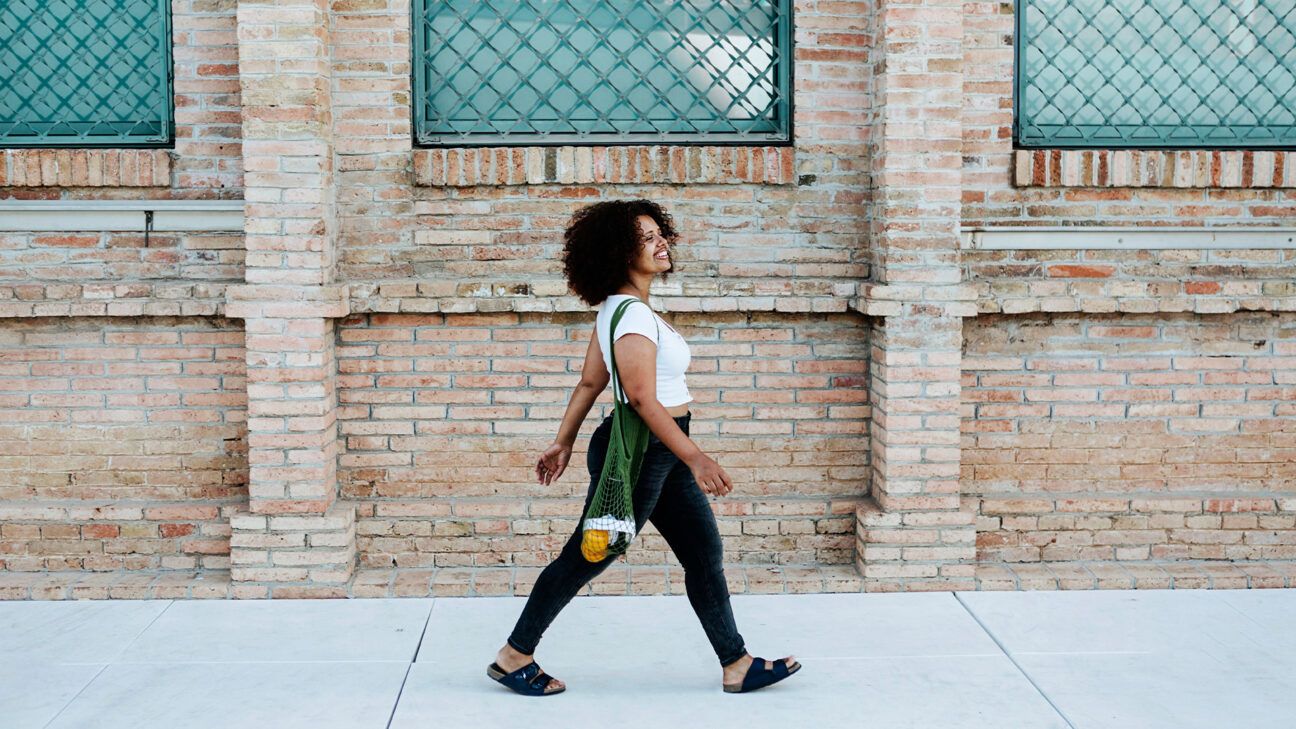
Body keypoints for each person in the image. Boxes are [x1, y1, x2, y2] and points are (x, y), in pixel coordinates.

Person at [486, 199, 801, 696]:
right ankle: (514, 656)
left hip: (659, 451)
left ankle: (735, 664)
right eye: (646, 237)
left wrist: (563, 441)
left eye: (661, 233)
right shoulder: (631, 314)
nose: (661, 243)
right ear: (618, 250)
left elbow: (590, 382)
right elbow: (639, 398)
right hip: (644, 450)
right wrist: (695, 456)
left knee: (702, 554)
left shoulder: (619, 308)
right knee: (589, 555)